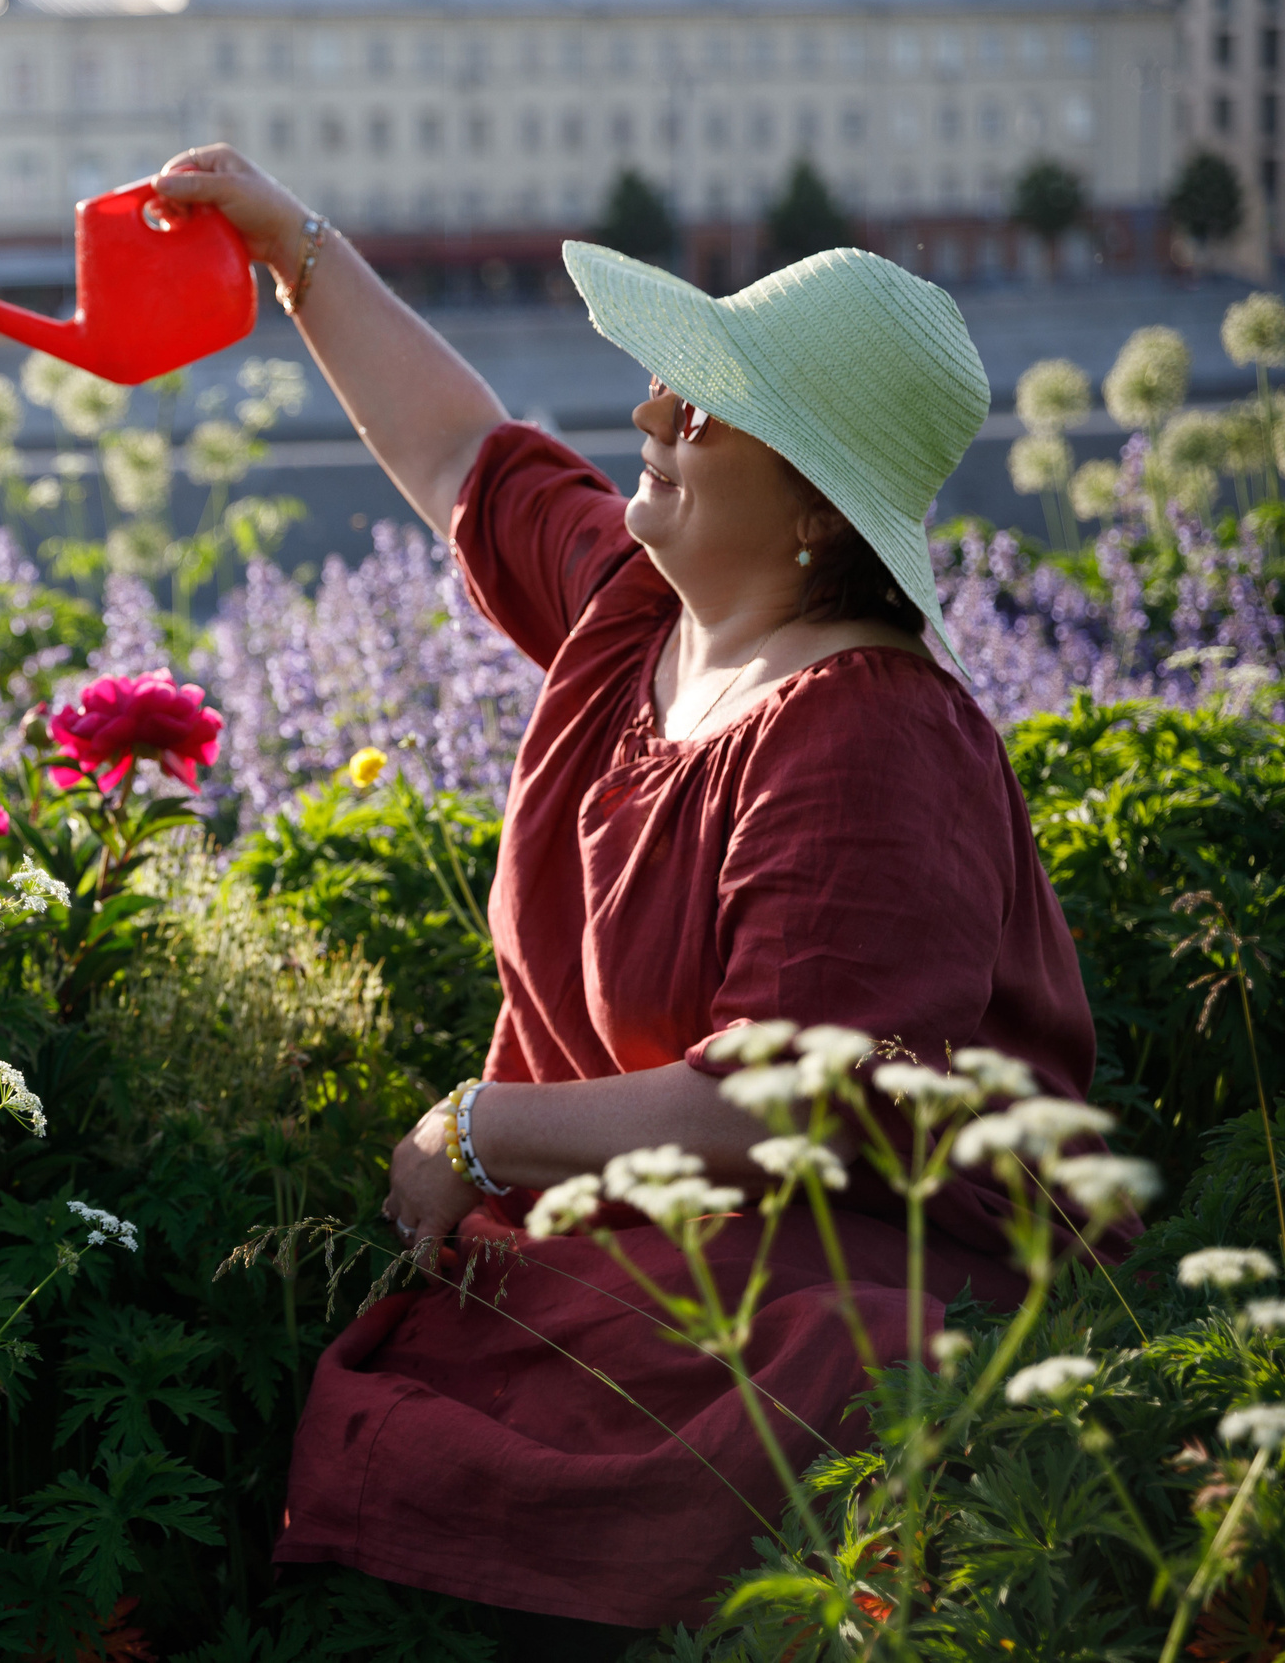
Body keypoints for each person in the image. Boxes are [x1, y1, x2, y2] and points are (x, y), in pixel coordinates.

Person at [152, 146, 1108, 1651]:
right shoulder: (645, 610)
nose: (656, 407)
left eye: (708, 400)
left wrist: (478, 1124)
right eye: (674, 375)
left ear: (813, 504)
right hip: (643, 1248)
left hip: (823, 1276)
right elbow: (460, 450)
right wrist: (293, 243)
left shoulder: (873, 730)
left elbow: (783, 1100)